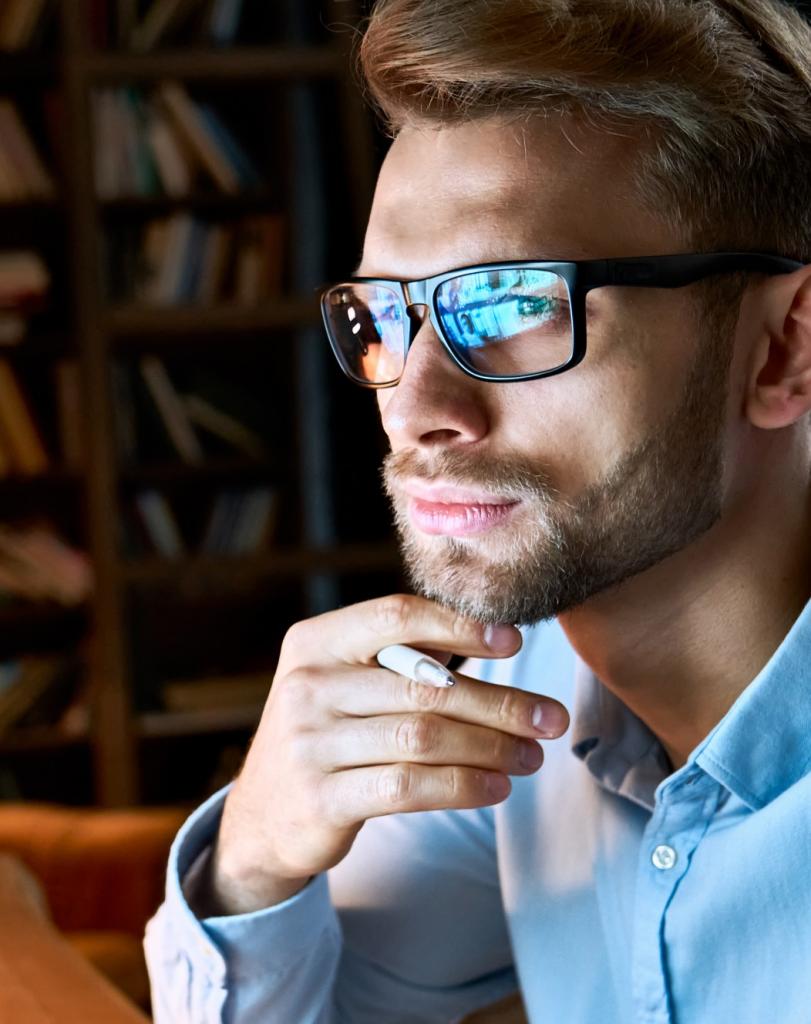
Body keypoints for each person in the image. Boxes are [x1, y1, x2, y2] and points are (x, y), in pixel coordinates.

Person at [144, 1, 811, 1021]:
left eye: (510, 305)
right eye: (383, 319)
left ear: (781, 349)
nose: (413, 410)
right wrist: (256, 861)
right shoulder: (527, 692)